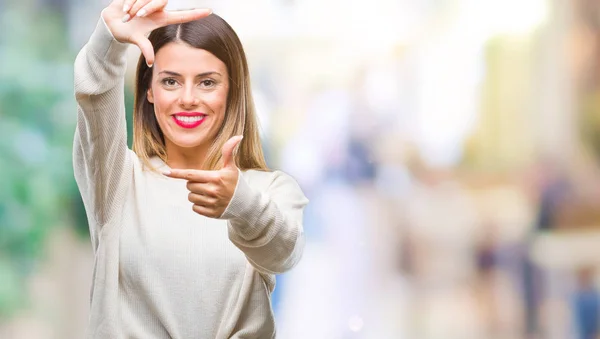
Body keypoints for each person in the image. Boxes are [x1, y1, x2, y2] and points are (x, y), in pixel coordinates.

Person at [73, 0, 309, 337]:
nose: (187, 98)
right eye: (170, 81)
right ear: (150, 90)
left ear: (232, 91)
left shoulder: (271, 189)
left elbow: (283, 255)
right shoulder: (118, 181)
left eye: (207, 82)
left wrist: (240, 204)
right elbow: (95, 99)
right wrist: (107, 42)